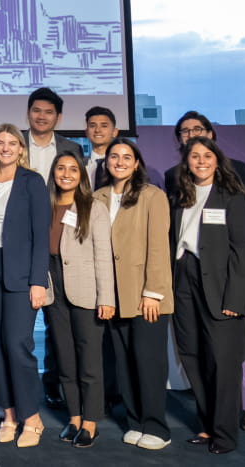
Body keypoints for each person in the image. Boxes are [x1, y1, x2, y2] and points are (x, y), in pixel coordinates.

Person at [164, 110, 245, 432]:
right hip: (191, 270)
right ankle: (213, 412)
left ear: (211, 135)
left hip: (233, 267)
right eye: (184, 132)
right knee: (197, 343)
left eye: (197, 130)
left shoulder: (235, 169)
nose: (190, 135)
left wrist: (242, 260)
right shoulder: (175, 175)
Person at [170, 136, 245, 455]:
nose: (201, 161)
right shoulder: (181, 194)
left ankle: (225, 434)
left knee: (223, 364)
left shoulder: (232, 196)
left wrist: (235, 299)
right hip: (184, 280)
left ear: (217, 160)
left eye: (207, 155)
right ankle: (207, 426)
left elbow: (244, 251)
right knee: (193, 357)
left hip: (221, 288)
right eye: (195, 156)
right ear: (186, 161)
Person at [0, 125, 51, 447]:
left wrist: (38, 282)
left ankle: (31, 417)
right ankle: (9, 415)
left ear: (21, 148)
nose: (5, 148)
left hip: (22, 274)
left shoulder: (32, 182)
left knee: (18, 346)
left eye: (12, 143)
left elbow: (41, 236)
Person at [98, 137, 173, 450]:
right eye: (114, 156)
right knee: (124, 361)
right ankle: (135, 421)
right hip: (113, 295)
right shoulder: (98, 196)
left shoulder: (152, 196)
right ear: (106, 162)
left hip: (146, 296)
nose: (119, 161)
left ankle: (157, 427)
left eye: (126, 156)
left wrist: (153, 292)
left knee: (148, 362)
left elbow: (158, 246)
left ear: (137, 162)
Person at [45, 151, 115, 448]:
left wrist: (107, 297)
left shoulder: (93, 207)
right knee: (65, 358)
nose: (66, 173)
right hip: (53, 286)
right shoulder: (44, 205)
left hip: (86, 288)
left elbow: (103, 255)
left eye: (73, 169)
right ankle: (74, 417)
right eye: (61, 168)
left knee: (89, 360)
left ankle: (91, 422)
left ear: (81, 176)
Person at [23, 87, 82, 408]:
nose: (41, 116)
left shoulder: (72, 148)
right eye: (36, 110)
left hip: (61, 244)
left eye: (48, 112)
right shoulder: (13, 144)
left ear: (58, 117)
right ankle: (20, 387)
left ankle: (57, 383)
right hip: (23, 242)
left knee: (60, 320)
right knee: (23, 322)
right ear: (28, 113)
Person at [83, 107, 119, 190]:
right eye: (92, 126)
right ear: (87, 132)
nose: (97, 130)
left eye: (104, 126)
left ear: (114, 132)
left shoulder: (122, 165)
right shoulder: (78, 166)